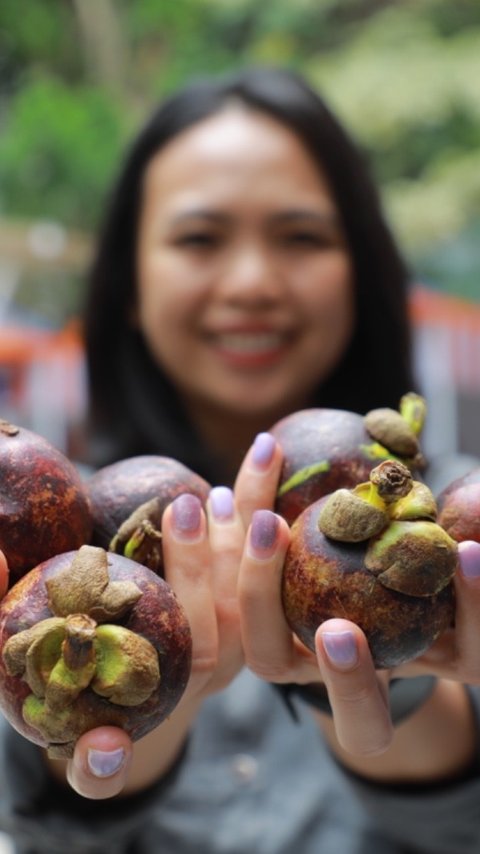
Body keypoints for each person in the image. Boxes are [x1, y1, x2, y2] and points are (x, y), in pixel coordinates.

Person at [1, 65, 480, 853]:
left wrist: (398, 681)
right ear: (129, 283)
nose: (253, 282)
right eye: (199, 238)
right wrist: (158, 687)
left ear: (361, 269)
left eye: (302, 236)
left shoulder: (453, 533)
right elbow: (51, 831)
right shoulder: (51, 541)